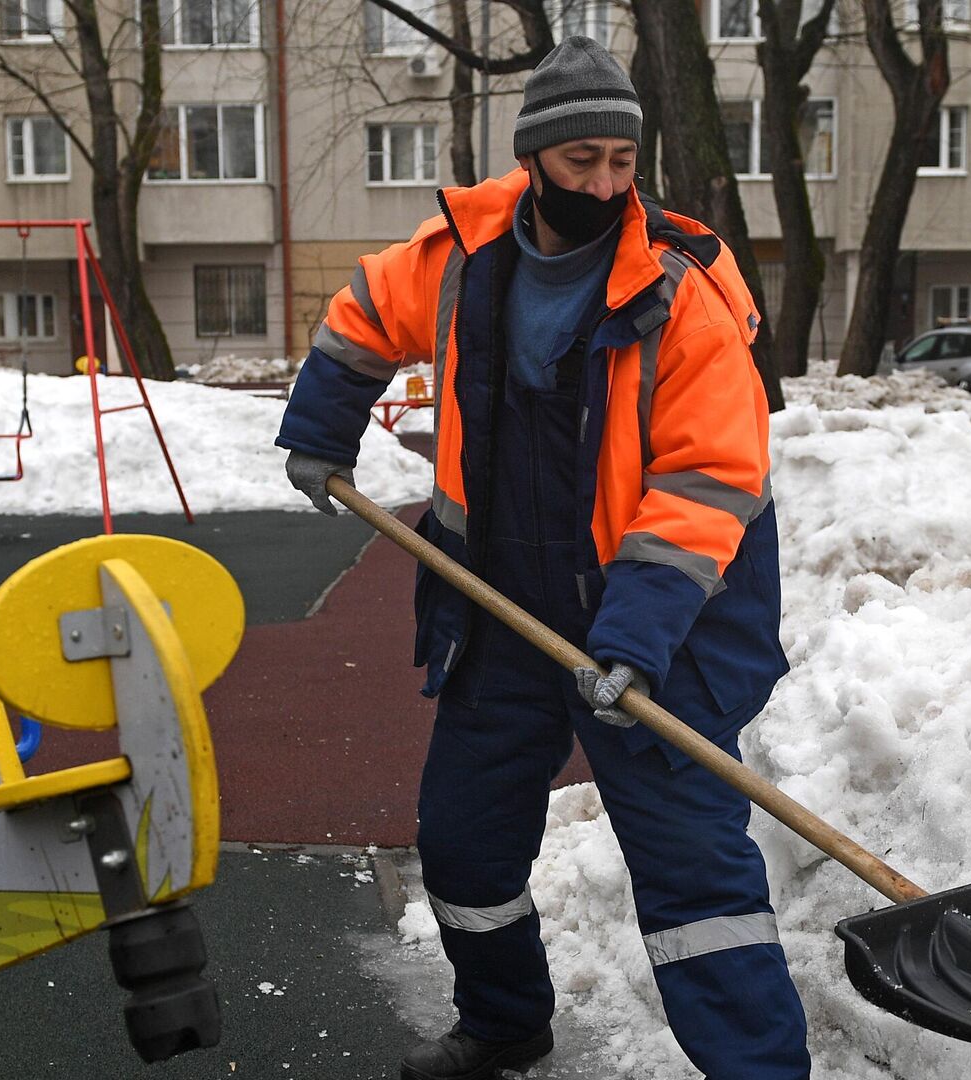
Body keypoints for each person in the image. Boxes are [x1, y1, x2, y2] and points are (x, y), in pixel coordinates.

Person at [274, 36, 809, 1080]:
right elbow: (363, 314)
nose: (606, 184)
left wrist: (638, 634)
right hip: (504, 609)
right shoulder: (465, 256)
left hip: (662, 619)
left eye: (622, 161)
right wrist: (321, 426)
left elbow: (709, 482)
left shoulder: (678, 289)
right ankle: (503, 1023)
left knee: (693, 879)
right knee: (466, 842)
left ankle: (760, 1072)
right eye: (582, 163)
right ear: (535, 160)